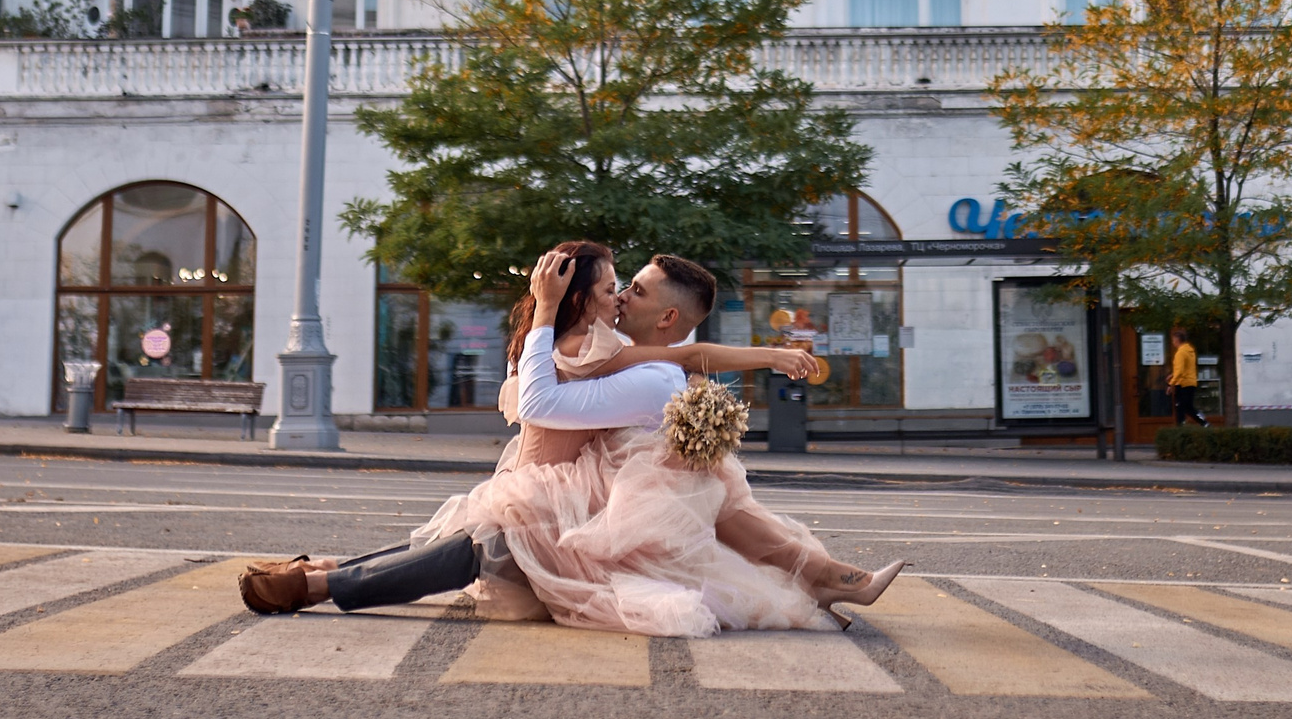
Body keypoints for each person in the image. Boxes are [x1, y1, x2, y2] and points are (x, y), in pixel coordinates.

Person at [240, 245, 904, 634]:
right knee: (450, 544)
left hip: (564, 513)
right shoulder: (610, 349)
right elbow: (684, 364)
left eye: (630, 289)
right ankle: (321, 573)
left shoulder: (646, 372)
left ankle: (319, 587)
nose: (619, 297)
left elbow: (544, 399)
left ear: (661, 314)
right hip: (542, 493)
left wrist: (767, 356)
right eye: (615, 286)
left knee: (471, 548)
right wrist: (548, 313)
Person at [1166, 326, 1200, 425]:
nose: (1172, 343)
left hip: (1183, 383)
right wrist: (1172, 374)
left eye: (1173, 341)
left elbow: (1180, 371)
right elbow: (1186, 367)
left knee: (1181, 407)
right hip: (1190, 382)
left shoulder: (1180, 353)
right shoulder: (1190, 351)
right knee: (1187, 407)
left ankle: (1184, 426)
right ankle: (1202, 422)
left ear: (1177, 341)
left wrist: (1171, 384)